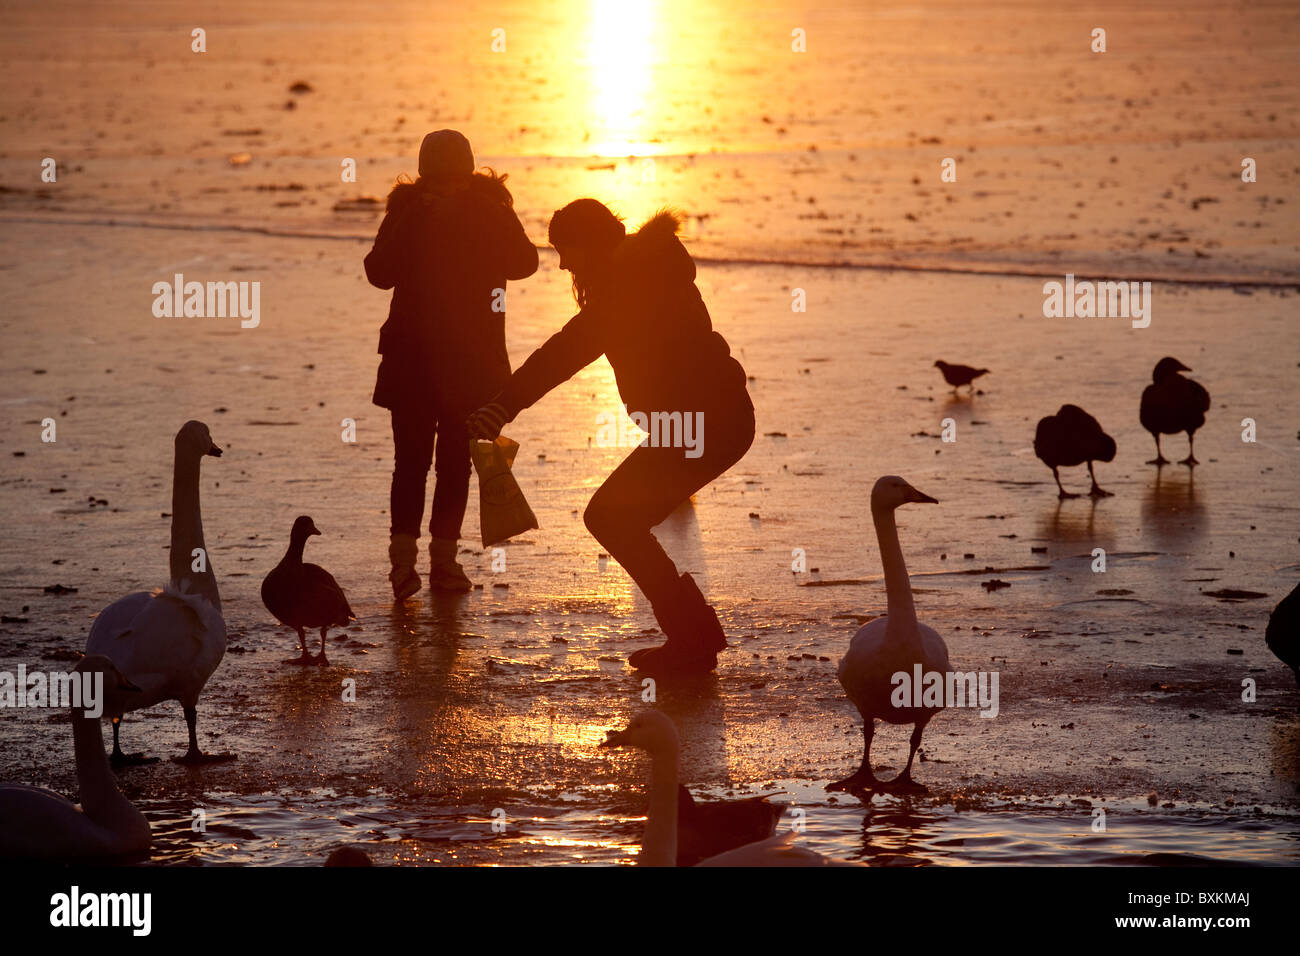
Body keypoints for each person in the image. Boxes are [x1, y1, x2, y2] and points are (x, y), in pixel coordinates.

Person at [467, 199, 754, 675]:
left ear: (591, 242)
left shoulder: (632, 285)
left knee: (611, 517)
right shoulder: (642, 272)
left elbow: (569, 348)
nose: (563, 264)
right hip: (703, 423)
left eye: (567, 250)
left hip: (705, 425)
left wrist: (504, 404)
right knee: (615, 518)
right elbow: (576, 343)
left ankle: (693, 638)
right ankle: (694, 636)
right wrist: (505, 403)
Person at [365, 130, 538, 598]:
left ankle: (444, 561)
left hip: (470, 361)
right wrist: (415, 217)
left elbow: (526, 263)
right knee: (412, 463)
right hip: (414, 360)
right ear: (424, 178)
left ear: (468, 174)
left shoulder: (490, 208)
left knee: (457, 464)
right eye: (439, 181)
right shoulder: (407, 211)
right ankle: (403, 567)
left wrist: (482, 211)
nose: (448, 188)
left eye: (455, 179)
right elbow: (378, 273)